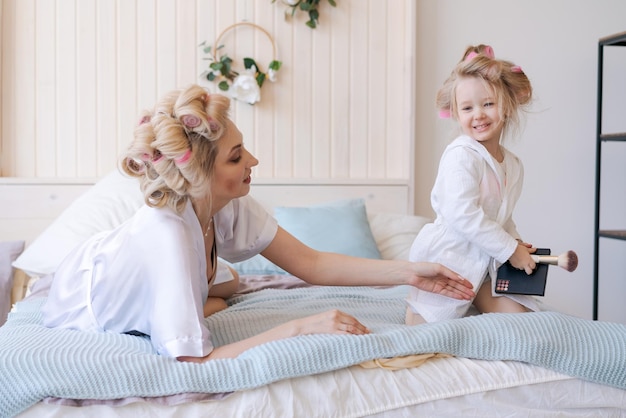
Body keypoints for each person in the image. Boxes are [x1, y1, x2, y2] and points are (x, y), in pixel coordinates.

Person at [42, 84, 475, 363]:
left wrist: (411, 274)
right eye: (236, 157)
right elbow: (197, 362)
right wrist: (303, 326)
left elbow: (311, 263)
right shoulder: (168, 237)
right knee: (212, 296)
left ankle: (209, 291)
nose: (252, 161)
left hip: (149, 263)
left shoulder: (225, 202)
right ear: (200, 176)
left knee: (229, 287)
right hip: (82, 295)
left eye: (243, 149)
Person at [406, 44, 540, 325]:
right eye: (467, 108)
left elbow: (502, 217)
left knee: (525, 321)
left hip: (483, 268)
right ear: (456, 113)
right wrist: (508, 249)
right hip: (448, 263)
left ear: (507, 106)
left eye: (488, 104)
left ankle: (479, 303)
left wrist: (515, 242)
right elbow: (462, 213)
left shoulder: (513, 164)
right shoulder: (461, 155)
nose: (478, 114)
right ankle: (421, 311)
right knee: (425, 334)